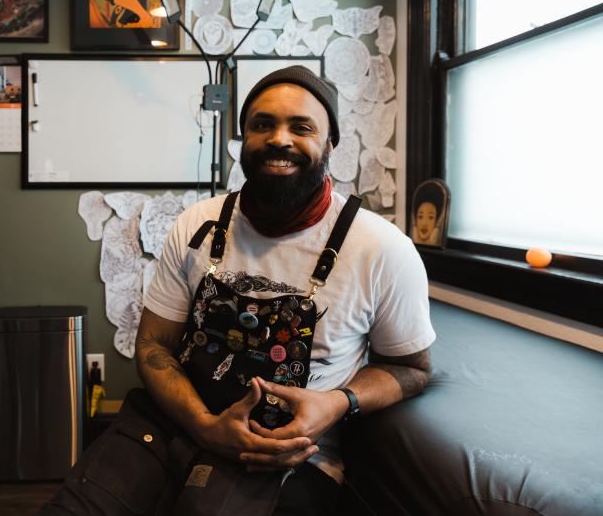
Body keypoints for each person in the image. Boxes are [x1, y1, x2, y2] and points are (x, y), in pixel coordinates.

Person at [43, 66, 435, 516]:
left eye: (301, 127)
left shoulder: (382, 248)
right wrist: (205, 426)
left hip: (279, 451)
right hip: (171, 422)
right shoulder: (199, 224)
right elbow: (153, 343)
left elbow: (413, 369)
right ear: (243, 139)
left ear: (330, 144)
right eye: (262, 124)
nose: (279, 139)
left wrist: (337, 402)